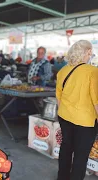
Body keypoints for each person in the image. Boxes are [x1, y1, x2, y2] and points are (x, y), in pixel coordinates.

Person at [56, 40, 98, 180]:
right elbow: (96, 100)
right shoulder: (92, 71)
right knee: (81, 156)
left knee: (66, 149)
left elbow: (59, 97)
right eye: (90, 51)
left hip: (64, 116)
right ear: (86, 53)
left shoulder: (63, 70)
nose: (91, 54)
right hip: (84, 121)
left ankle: (62, 177)